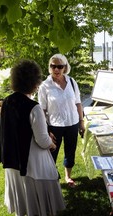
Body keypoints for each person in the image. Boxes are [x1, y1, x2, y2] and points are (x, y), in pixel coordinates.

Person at [0, 59, 66, 216]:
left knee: (24, 201)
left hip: (12, 160)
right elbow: (42, 141)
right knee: (38, 202)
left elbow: (17, 128)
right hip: (31, 162)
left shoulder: (7, 101)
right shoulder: (33, 107)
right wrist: (52, 144)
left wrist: (44, 134)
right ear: (34, 82)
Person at [38, 53, 85, 188]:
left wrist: (81, 122)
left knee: (70, 152)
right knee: (51, 154)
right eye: (53, 66)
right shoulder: (45, 86)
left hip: (72, 123)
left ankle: (68, 177)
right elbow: (41, 110)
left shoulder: (71, 82)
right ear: (50, 67)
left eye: (60, 66)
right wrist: (46, 130)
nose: (56, 69)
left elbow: (78, 103)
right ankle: (53, 178)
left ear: (65, 67)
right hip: (54, 126)